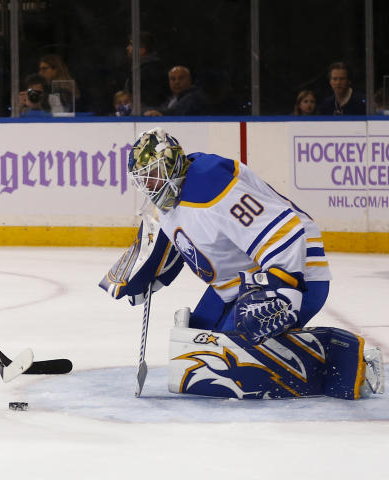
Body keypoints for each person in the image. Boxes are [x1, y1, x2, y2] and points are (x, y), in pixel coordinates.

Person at [100, 127, 384, 399]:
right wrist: (140, 277)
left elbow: (281, 230)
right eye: (143, 179)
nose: (150, 185)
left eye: (153, 175)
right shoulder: (170, 197)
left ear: (172, 164)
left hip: (296, 272)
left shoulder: (210, 185)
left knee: (229, 361)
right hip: (237, 281)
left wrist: (282, 288)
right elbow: (166, 248)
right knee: (195, 349)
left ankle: (351, 365)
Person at [123, 31, 170, 112]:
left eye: (131, 44)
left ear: (142, 50)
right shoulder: (143, 70)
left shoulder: (149, 72)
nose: (127, 48)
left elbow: (152, 103)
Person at [144, 65, 208, 116]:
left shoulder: (195, 97)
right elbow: (164, 109)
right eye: (173, 79)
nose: (176, 82)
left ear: (189, 80)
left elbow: (175, 112)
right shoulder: (172, 99)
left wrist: (160, 113)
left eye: (181, 78)